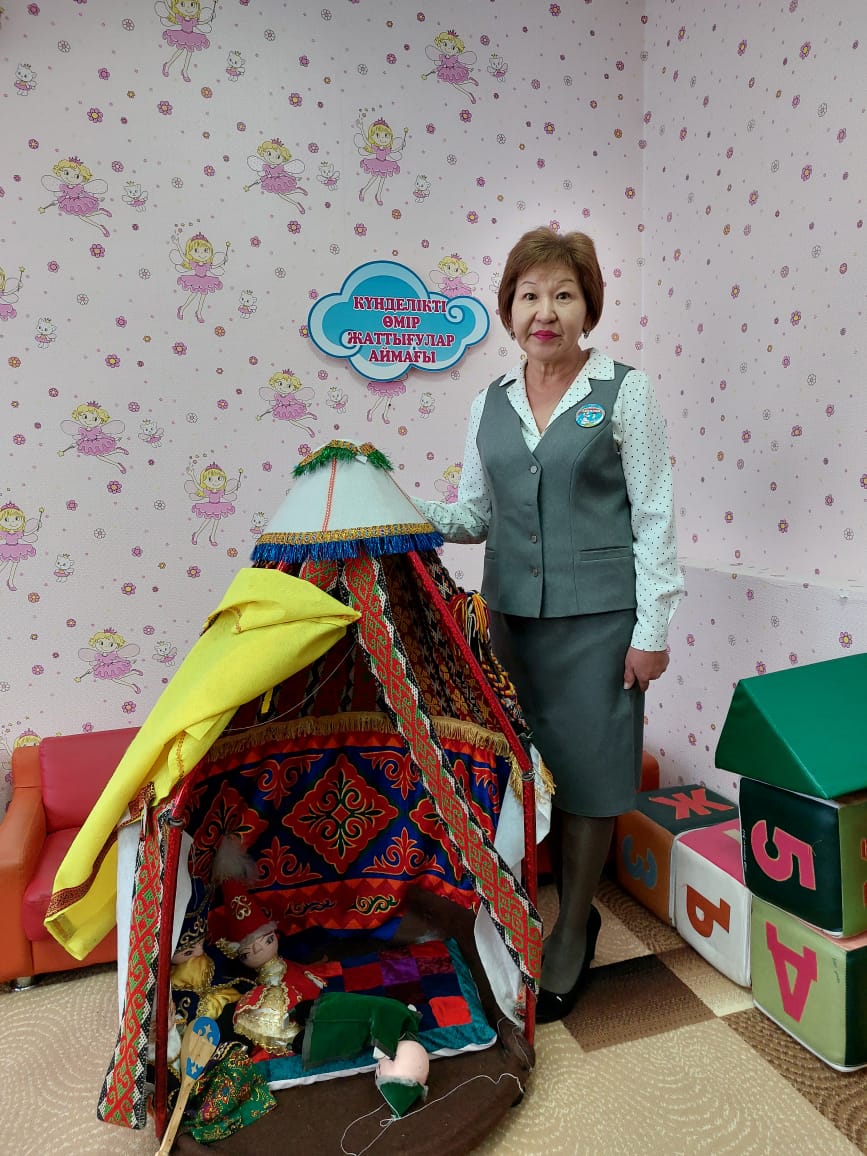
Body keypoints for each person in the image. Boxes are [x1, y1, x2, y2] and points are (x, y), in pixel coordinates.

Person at [415, 226, 683, 1022]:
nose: (545, 311)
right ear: (508, 310)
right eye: (529, 295)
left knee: (593, 773)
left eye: (563, 295)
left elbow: (655, 514)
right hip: (511, 626)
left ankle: (572, 925)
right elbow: (472, 516)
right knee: (520, 769)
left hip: (601, 624)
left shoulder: (624, 392)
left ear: (586, 308)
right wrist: (393, 502)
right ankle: (519, 902)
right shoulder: (488, 403)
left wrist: (652, 629)